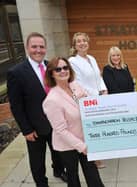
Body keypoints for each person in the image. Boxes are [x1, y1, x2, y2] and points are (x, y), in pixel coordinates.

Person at [7, 32, 66, 187]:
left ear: (45, 48)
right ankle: (41, 182)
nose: (38, 50)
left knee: (58, 152)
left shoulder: (51, 67)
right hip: (34, 127)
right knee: (37, 159)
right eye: (34, 47)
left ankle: (59, 171)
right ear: (27, 48)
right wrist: (26, 130)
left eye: (41, 46)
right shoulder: (16, 72)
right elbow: (16, 105)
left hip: (55, 122)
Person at [43, 57, 104, 187]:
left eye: (65, 67)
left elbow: (88, 102)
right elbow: (61, 131)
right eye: (58, 69)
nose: (63, 71)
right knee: (73, 176)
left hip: (84, 138)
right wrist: (82, 147)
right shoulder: (52, 100)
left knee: (93, 173)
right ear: (52, 74)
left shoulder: (75, 85)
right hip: (67, 145)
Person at [68, 32, 107, 168]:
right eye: (79, 41)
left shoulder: (91, 58)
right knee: (90, 130)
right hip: (87, 100)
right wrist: (97, 95)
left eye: (84, 40)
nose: (82, 43)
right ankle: (94, 158)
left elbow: (99, 76)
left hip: (99, 98)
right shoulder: (73, 61)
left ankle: (99, 152)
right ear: (75, 45)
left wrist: (104, 90)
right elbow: (79, 83)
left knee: (99, 126)